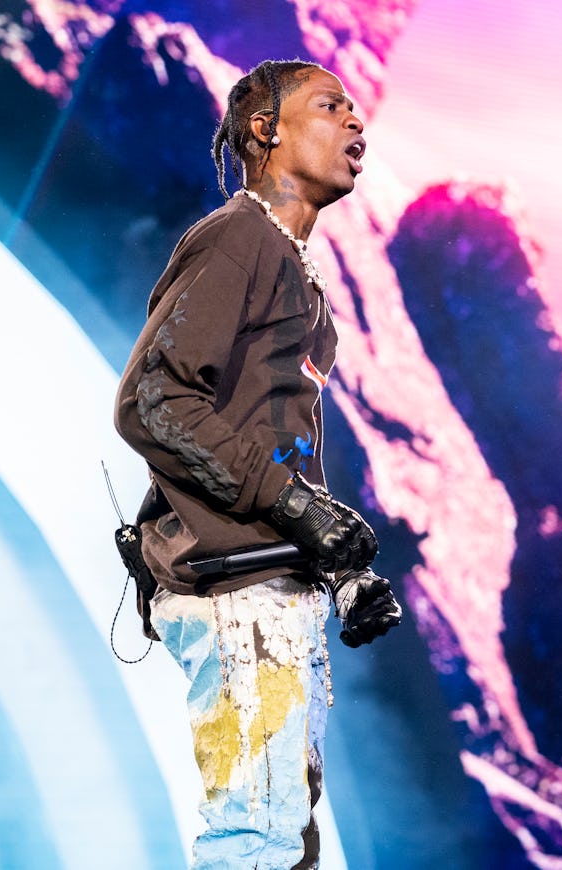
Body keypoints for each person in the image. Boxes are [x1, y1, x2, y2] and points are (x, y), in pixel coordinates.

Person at [113, 59, 402, 869]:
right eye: (329, 107)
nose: (355, 123)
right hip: (240, 597)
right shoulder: (242, 237)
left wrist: (338, 567)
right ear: (263, 130)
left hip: (272, 591)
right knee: (256, 841)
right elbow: (153, 401)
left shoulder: (294, 272)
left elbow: (269, 446)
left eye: (356, 111)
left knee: (284, 843)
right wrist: (298, 511)